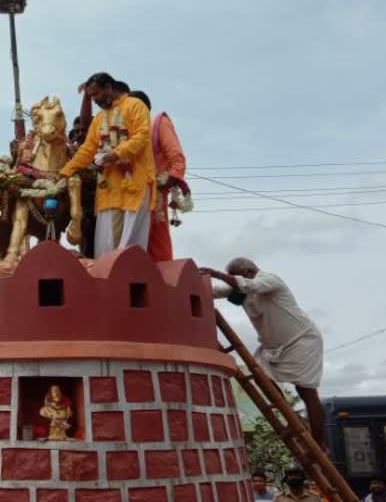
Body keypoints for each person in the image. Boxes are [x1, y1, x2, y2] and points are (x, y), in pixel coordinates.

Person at [201, 258, 325, 447]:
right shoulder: (241, 287)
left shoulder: (270, 280)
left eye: (235, 276)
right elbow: (215, 291)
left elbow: (250, 286)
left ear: (249, 273)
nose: (232, 281)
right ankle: (294, 419)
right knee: (261, 378)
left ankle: (319, 443)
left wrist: (217, 274)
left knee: (306, 391)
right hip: (272, 347)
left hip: (301, 341)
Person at [59, 72, 156, 257]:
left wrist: (117, 153)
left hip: (134, 184)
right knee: (107, 247)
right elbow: (88, 148)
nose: (94, 100)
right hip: (109, 188)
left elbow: (142, 136)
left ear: (108, 88)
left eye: (95, 94)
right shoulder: (99, 118)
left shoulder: (135, 106)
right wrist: (65, 171)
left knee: (128, 246)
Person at [128, 89, 190, 261]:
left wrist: (161, 186)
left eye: (129, 105)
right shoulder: (124, 132)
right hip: (127, 195)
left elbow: (177, 160)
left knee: (156, 243)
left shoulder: (158, 122)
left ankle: (163, 281)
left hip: (154, 194)